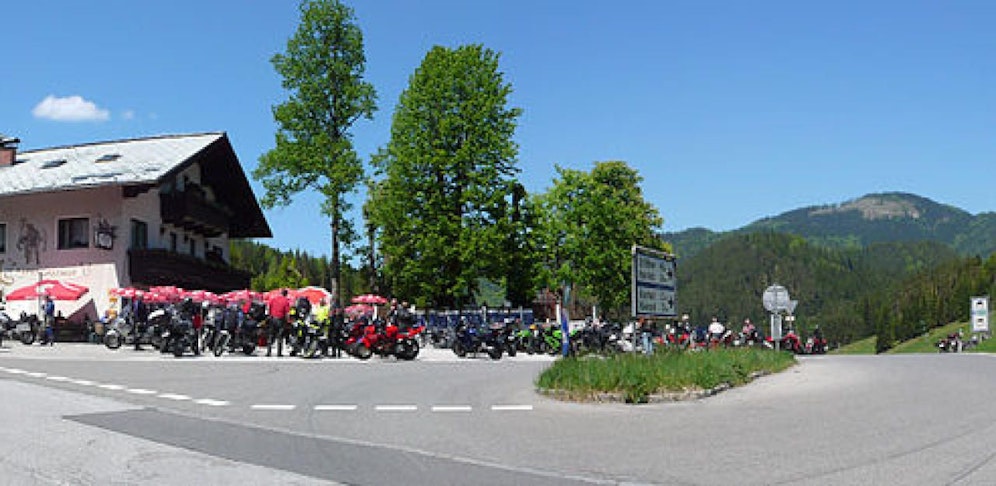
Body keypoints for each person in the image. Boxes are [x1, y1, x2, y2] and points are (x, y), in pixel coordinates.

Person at [266, 289, 291, 357]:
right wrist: (288, 321)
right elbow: (287, 313)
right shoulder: (286, 301)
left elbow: (269, 308)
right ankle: (279, 353)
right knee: (280, 336)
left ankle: (268, 352)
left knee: (271, 335)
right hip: (280, 319)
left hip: (272, 318)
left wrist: (269, 316)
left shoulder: (273, 299)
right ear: (286, 294)